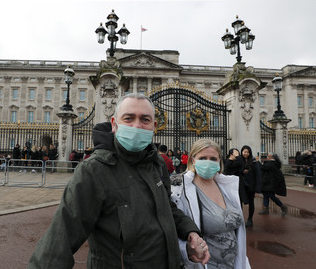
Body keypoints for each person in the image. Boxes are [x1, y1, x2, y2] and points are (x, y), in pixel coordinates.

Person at [28, 93, 209, 268]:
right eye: (129, 118)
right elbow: (62, 237)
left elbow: (166, 206)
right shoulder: (93, 170)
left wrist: (189, 230)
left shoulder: (157, 163)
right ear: (114, 124)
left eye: (145, 120)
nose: (137, 126)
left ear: (154, 125)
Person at [171, 139, 251, 269]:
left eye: (213, 159)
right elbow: (172, 231)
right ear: (192, 160)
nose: (208, 162)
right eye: (202, 158)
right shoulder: (178, 189)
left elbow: (236, 234)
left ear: (219, 161)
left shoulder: (226, 186)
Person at [240, 145, 262, 227]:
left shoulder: (253, 162)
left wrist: (257, 187)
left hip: (250, 185)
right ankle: (240, 219)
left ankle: (250, 219)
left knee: (251, 203)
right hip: (241, 185)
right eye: (244, 152)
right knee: (239, 203)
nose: (246, 153)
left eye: (247, 152)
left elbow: (258, 174)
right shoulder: (239, 160)